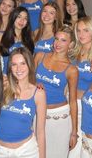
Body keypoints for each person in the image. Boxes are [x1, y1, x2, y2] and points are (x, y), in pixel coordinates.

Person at [35, 25, 79, 158]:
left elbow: (73, 101)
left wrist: (74, 132)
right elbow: (28, 82)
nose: (58, 43)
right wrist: (35, 84)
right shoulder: (40, 56)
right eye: (56, 39)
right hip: (37, 114)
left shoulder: (72, 70)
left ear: (71, 44)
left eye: (63, 40)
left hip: (59, 118)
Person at [0, 47, 46, 158]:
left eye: (23, 63)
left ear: (29, 65)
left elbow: (40, 131)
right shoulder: (3, 87)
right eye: (14, 64)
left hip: (27, 151)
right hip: (0, 151)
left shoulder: (38, 93)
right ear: (10, 67)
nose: (19, 69)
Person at [69, 16, 92, 158]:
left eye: (86, 30)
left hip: (88, 105)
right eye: (78, 31)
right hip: (71, 102)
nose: (81, 34)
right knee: (72, 145)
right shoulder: (75, 50)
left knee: (82, 147)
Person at [0, 6, 34, 75]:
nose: (22, 21)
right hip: (5, 77)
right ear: (13, 18)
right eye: (19, 17)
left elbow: (29, 63)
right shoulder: (0, 36)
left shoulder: (29, 39)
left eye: (25, 18)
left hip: (22, 77)